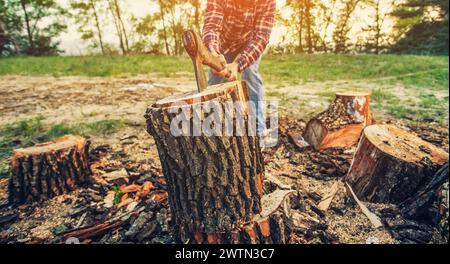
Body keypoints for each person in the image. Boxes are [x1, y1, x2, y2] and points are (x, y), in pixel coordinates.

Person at [202, 0, 277, 148]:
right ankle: (211, 132)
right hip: (221, 44)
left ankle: (258, 133)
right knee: (215, 81)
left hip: (249, 45)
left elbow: (261, 37)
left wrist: (238, 64)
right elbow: (211, 26)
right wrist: (213, 55)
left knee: (251, 74)